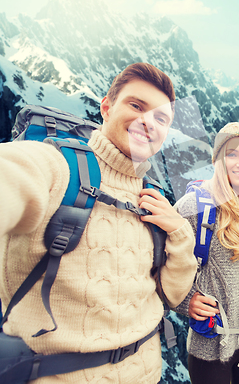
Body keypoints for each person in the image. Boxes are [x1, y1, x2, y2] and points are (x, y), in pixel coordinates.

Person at [0, 62, 198, 383]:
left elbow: (173, 295)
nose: (148, 121)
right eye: (136, 105)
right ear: (106, 107)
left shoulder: (153, 195)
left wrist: (178, 231)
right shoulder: (55, 165)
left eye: (161, 118)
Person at [173, 122, 239, 384]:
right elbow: (160, 264)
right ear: (218, 159)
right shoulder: (195, 206)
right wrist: (185, 302)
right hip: (211, 345)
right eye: (232, 154)